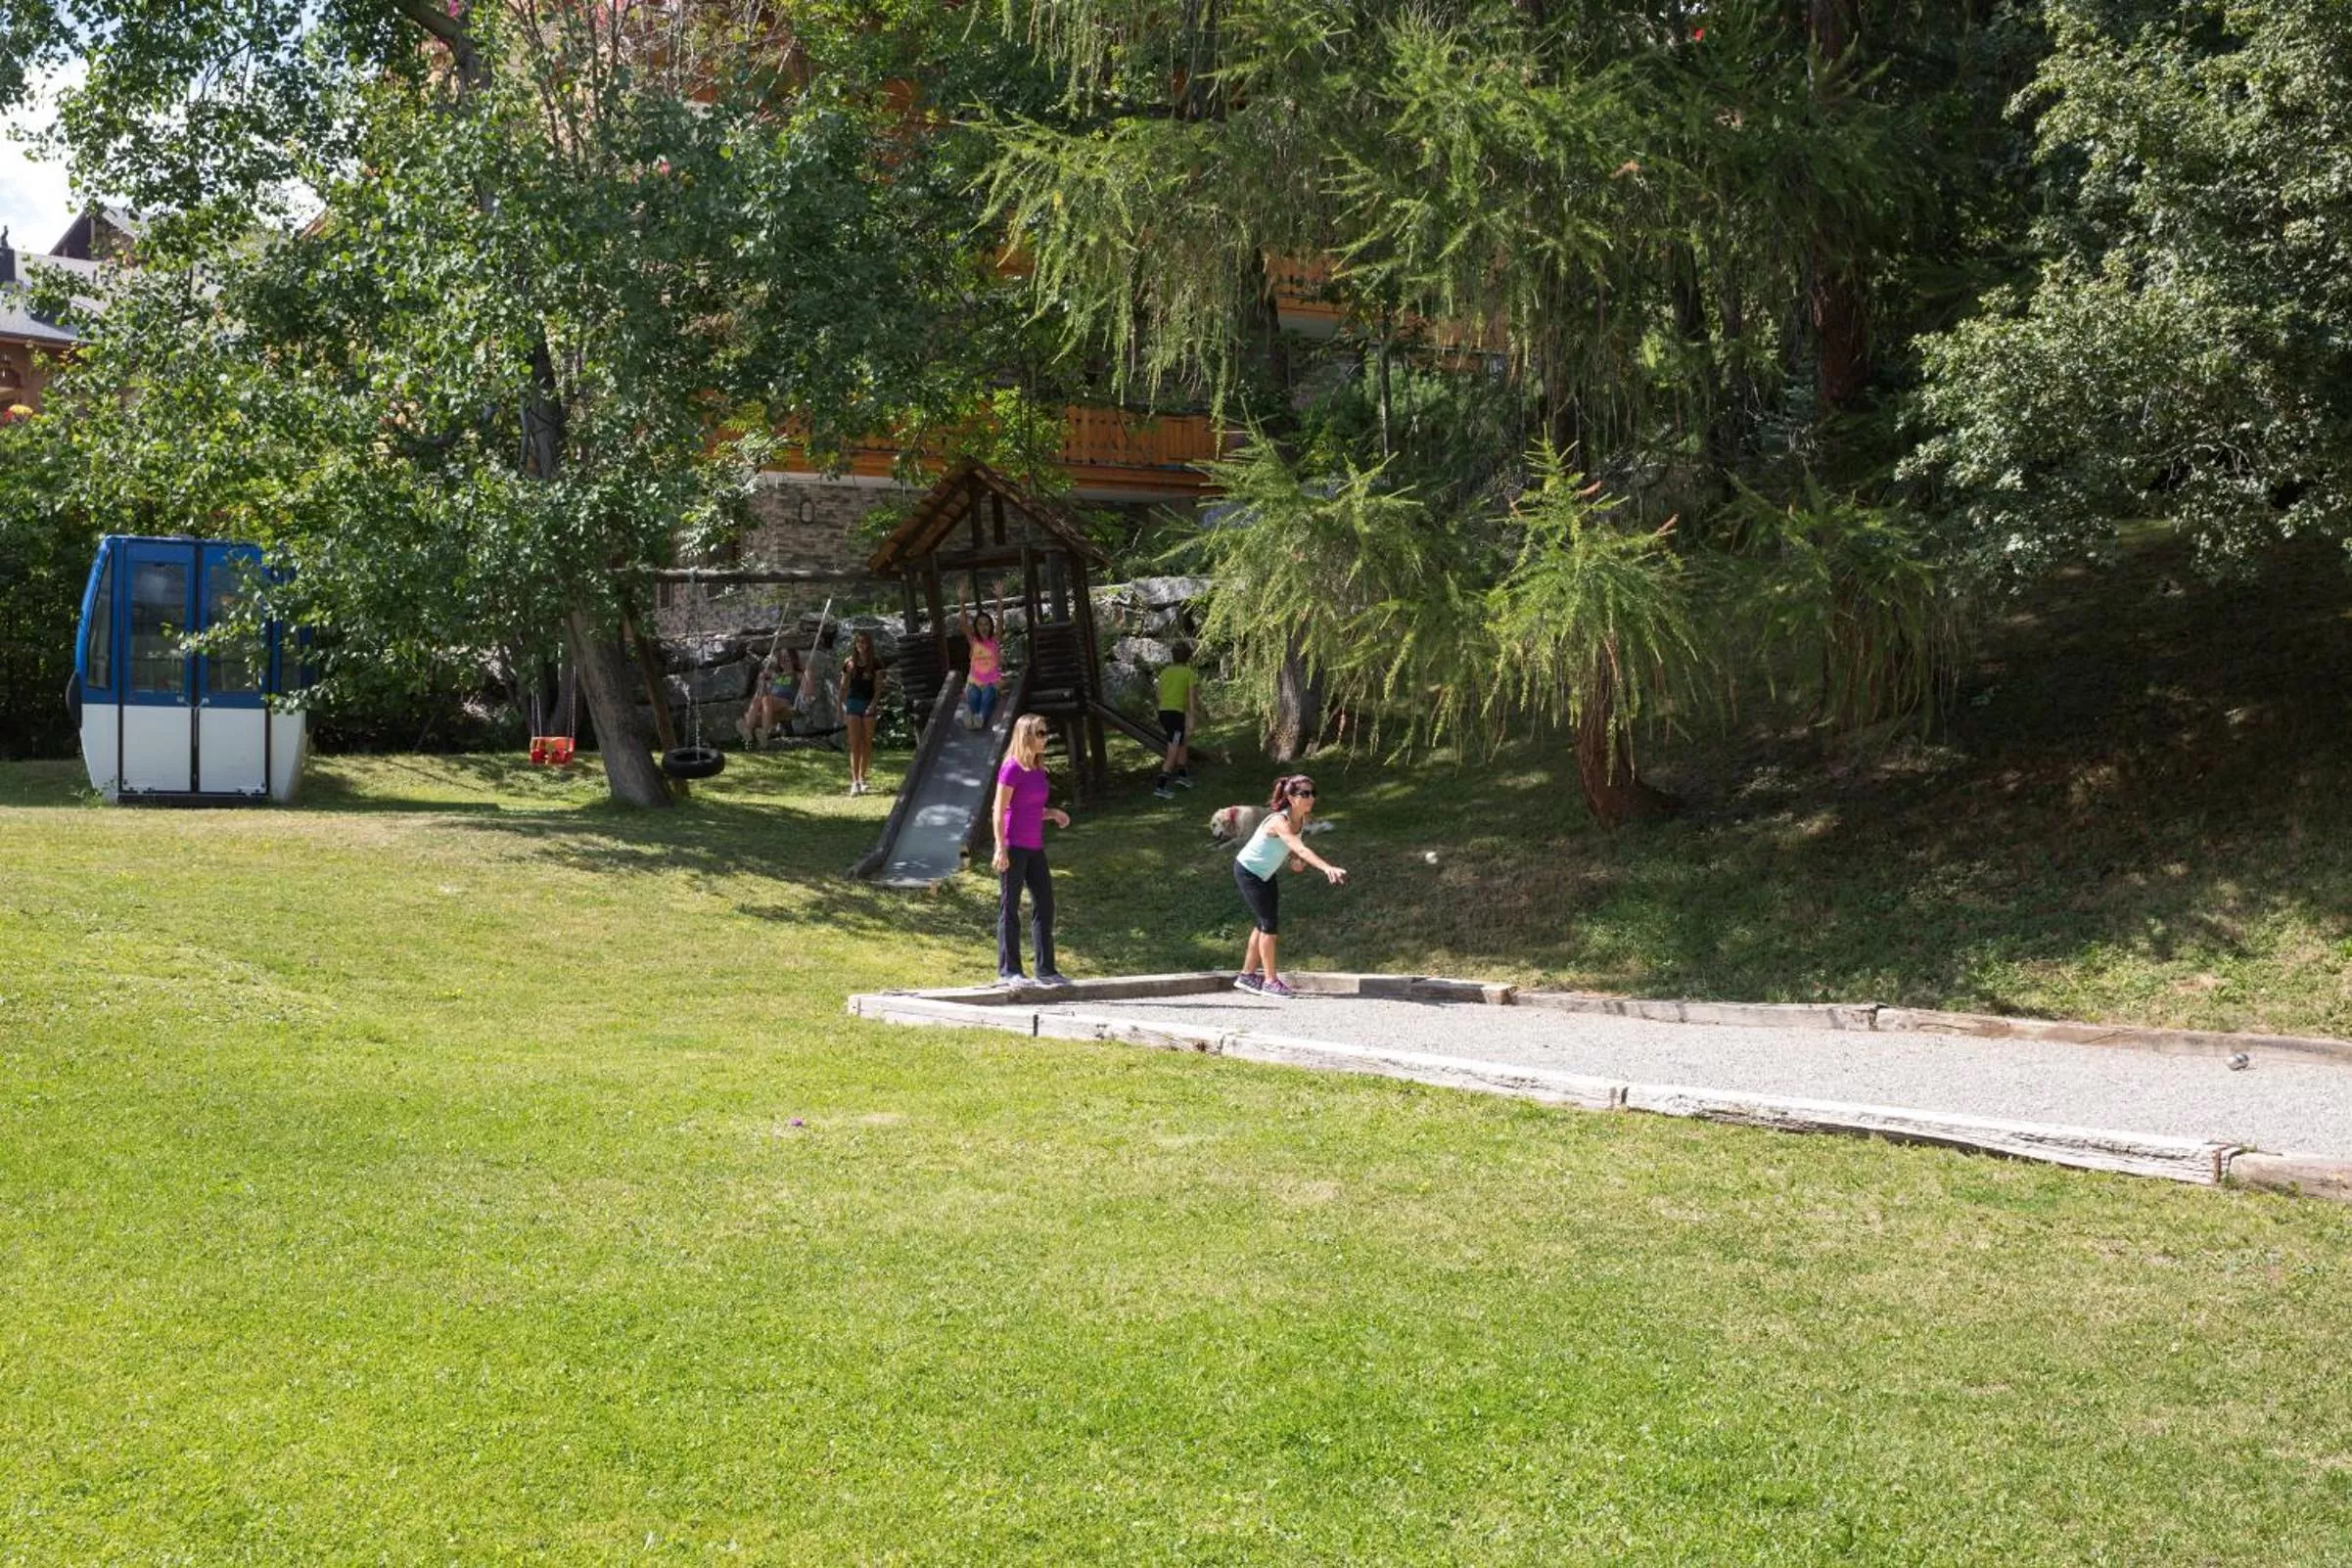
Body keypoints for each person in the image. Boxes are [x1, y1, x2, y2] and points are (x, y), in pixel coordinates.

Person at [1231, 773, 1346, 997]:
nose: (1310, 798)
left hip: (1265, 873)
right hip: (1248, 871)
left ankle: (1246, 975)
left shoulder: (1300, 819)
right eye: (1304, 794)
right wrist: (1326, 867)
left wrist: (1295, 860)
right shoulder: (1278, 821)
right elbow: (1301, 847)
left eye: (1313, 793)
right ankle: (1270, 981)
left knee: (1264, 922)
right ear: (1292, 798)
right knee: (1268, 925)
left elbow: (1295, 849)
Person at [992, 713, 1072, 987]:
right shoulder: (1011, 768)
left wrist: (1053, 814)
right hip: (1013, 846)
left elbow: (1030, 809)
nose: (1044, 738)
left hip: (1034, 846)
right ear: (1025, 736)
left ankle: (1046, 970)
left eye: (1045, 733)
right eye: (1039, 733)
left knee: (1045, 905)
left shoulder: (1038, 769)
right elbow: (999, 810)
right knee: (1010, 907)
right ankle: (1009, 971)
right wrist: (1000, 849)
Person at [841, 628, 887, 796]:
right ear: (855, 644)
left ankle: (862, 778)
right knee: (854, 744)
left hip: (869, 704)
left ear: (869, 644)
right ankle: (854, 781)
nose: (861, 645)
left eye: (864, 642)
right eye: (858, 642)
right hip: (853, 704)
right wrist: (843, 705)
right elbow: (844, 686)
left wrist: (873, 704)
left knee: (866, 742)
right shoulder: (849, 663)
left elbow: (878, 687)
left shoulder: (876, 663)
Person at [1153, 641, 1201, 799]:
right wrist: (1192, 717)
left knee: (1181, 743)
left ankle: (1183, 777)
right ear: (1188, 657)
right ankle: (1160, 787)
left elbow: (1159, 695)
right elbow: (1192, 698)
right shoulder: (1189, 673)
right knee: (1173, 749)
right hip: (1175, 715)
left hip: (1164, 713)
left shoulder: (1165, 672)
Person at [738, 642, 803, 751]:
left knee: (766, 700)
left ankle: (765, 733)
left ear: (793, 659)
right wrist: (762, 679)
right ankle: (747, 732)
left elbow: (806, 680)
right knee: (756, 700)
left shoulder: (797, 675)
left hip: (786, 703)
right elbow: (767, 686)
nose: (784, 660)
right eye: (782, 658)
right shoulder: (777, 676)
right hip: (771, 702)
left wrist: (806, 669)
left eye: (787, 657)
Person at [961, 608, 1003, 731]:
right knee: (973, 695)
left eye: (987, 624)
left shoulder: (994, 640)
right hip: (974, 682)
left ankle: (980, 717)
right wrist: (962, 600)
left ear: (991, 626)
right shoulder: (973, 642)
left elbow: (1000, 622)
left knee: (988, 694)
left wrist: (1000, 598)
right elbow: (963, 623)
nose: (983, 627)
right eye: (980, 624)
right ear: (976, 626)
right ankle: (972, 716)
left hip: (991, 682)